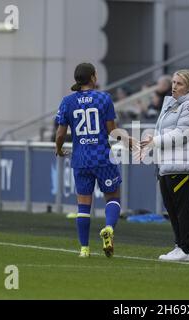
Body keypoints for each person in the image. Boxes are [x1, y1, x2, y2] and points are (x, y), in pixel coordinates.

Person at [55, 62, 136, 258]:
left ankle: (84, 249)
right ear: (93, 77)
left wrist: (58, 149)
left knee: (83, 205)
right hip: (102, 156)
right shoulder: (104, 98)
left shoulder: (67, 101)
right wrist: (128, 140)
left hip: (81, 158)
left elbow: (60, 133)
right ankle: (108, 228)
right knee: (113, 197)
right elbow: (112, 131)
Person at [140, 70, 189, 262]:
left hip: (184, 163)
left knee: (182, 207)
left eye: (179, 84)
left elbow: (182, 133)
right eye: (174, 82)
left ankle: (186, 249)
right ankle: (179, 246)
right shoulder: (172, 104)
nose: (174, 86)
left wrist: (156, 141)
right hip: (169, 163)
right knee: (171, 207)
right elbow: (165, 129)